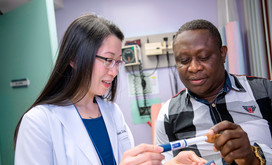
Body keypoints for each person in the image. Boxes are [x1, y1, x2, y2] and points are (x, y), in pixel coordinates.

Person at [14, 14, 210, 165]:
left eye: (118, 62)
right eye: (108, 60)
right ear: (74, 59)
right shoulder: (39, 122)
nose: (114, 71)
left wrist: (171, 162)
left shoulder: (112, 112)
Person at [155, 19, 272, 165]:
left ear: (222, 53)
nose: (194, 67)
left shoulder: (267, 93)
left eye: (204, 57)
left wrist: (256, 159)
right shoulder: (168, 114)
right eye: (184, 60)